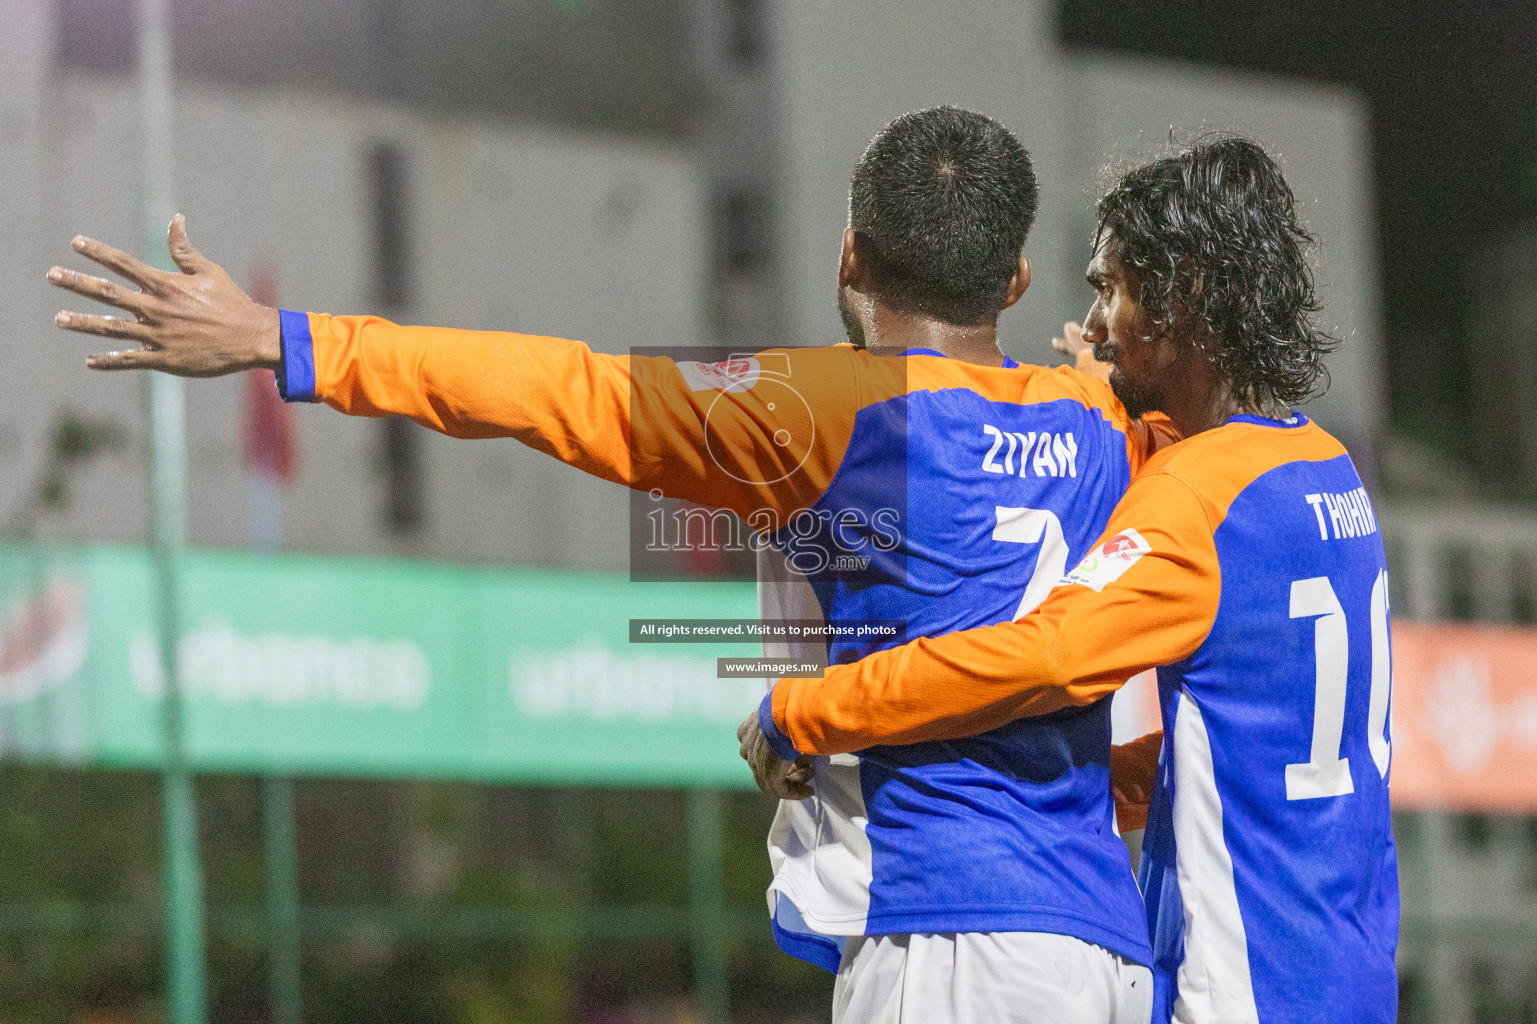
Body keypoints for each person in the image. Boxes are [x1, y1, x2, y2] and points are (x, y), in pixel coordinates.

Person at [50, 107, 1168, 1024]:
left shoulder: (831, 412)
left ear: (850, 256)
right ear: (1017, 281)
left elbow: (557, 388)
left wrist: (279, 340)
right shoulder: (1099, 417)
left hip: (954, 938)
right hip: (1108, 946)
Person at [742, 135, 1399, 1024]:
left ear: (1185, 294)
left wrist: (808, 710)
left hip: (1242, 982)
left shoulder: (1195, 493)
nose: (1090, 327)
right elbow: (1252, 751)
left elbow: (1043, 656)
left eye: (1110, 288)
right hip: (1349, 967)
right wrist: (1095, 777)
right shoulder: (1324, 473)